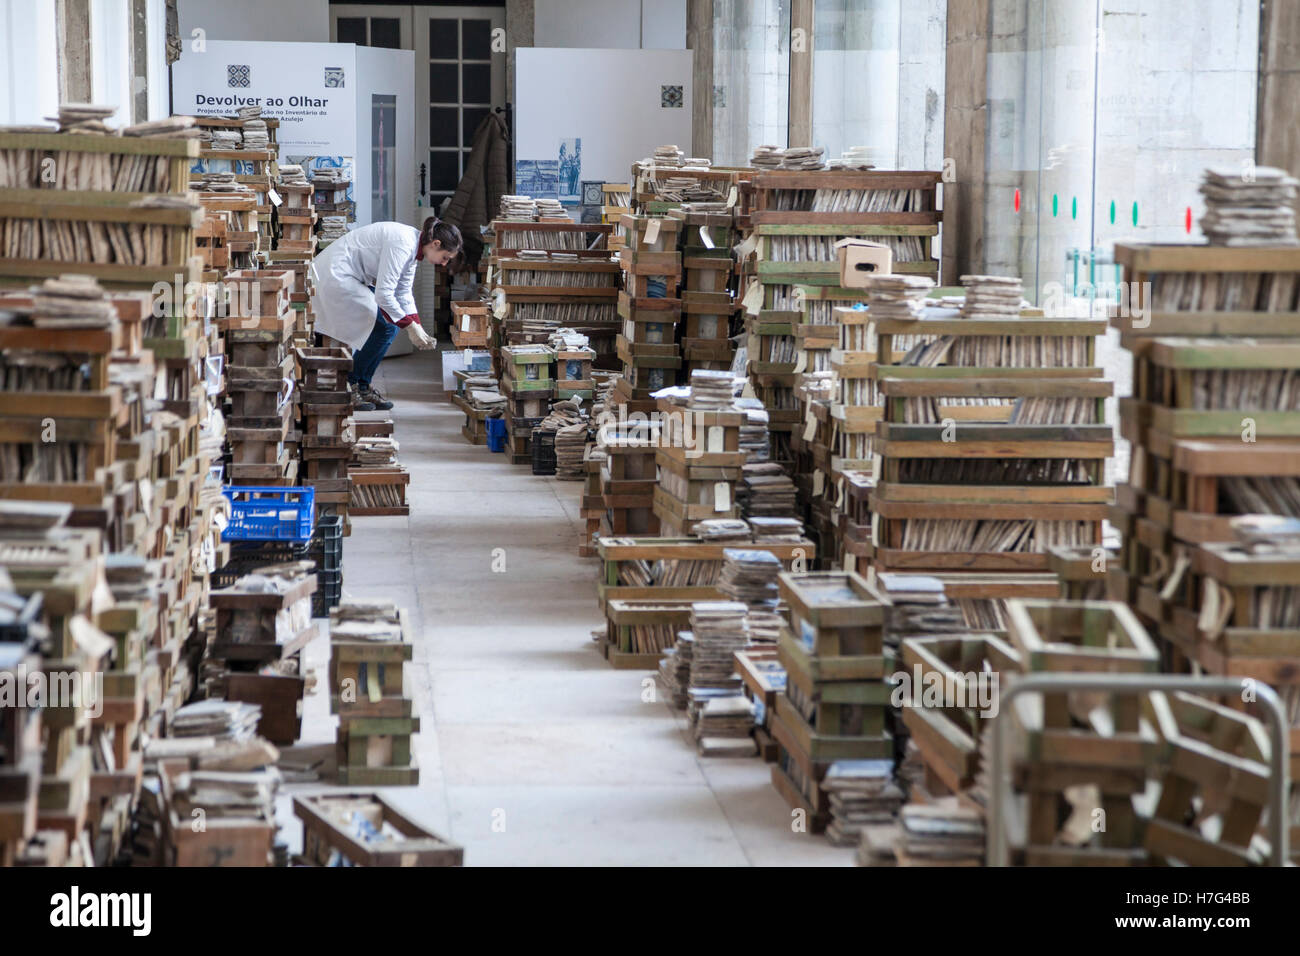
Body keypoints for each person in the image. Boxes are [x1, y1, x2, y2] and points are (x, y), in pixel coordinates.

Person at [313, 217, 462, 410]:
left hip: (351, 277)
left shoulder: (414, 248)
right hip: (335, 275)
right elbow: (384, 294)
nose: (444, 264)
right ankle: (351, 385)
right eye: (445, 257)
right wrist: (409, 326)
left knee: (389, 326)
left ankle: (363, 385)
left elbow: (403, 292)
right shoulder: (403, 244)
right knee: (385, 327)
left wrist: (417, 326)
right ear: (436, 244)